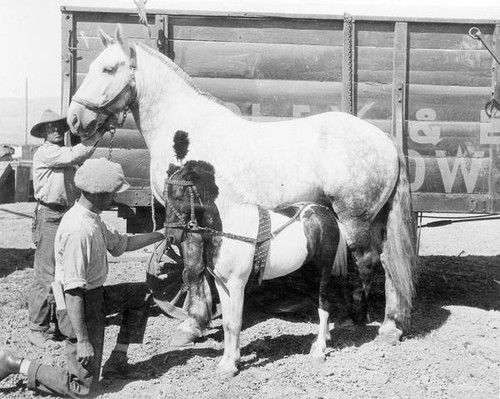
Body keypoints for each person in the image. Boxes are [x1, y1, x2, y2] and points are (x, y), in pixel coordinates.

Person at [0, 158, 165, 397]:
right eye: (111, 194)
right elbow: (72, 292)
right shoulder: (79, 230)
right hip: (75, 308)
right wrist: (83, 339)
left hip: (94, 296)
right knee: (83, 388)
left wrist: (160, 235)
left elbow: (122, 244)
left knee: (142, 294)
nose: (114, 198)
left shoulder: (92, 217)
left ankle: (117, 362)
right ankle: (15, 364)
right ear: (96, 193)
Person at [28, 109, 103, 349]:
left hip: (63, 214)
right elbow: (75, 155)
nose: (57, 130)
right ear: (43, 133)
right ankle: (37, 329)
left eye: (59, 126)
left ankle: (59, 325)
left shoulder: (61, 153)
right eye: (50, 128)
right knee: (46, 275)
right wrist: (99, 133)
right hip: (49, 215)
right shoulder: (48, 152)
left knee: (62, 274)